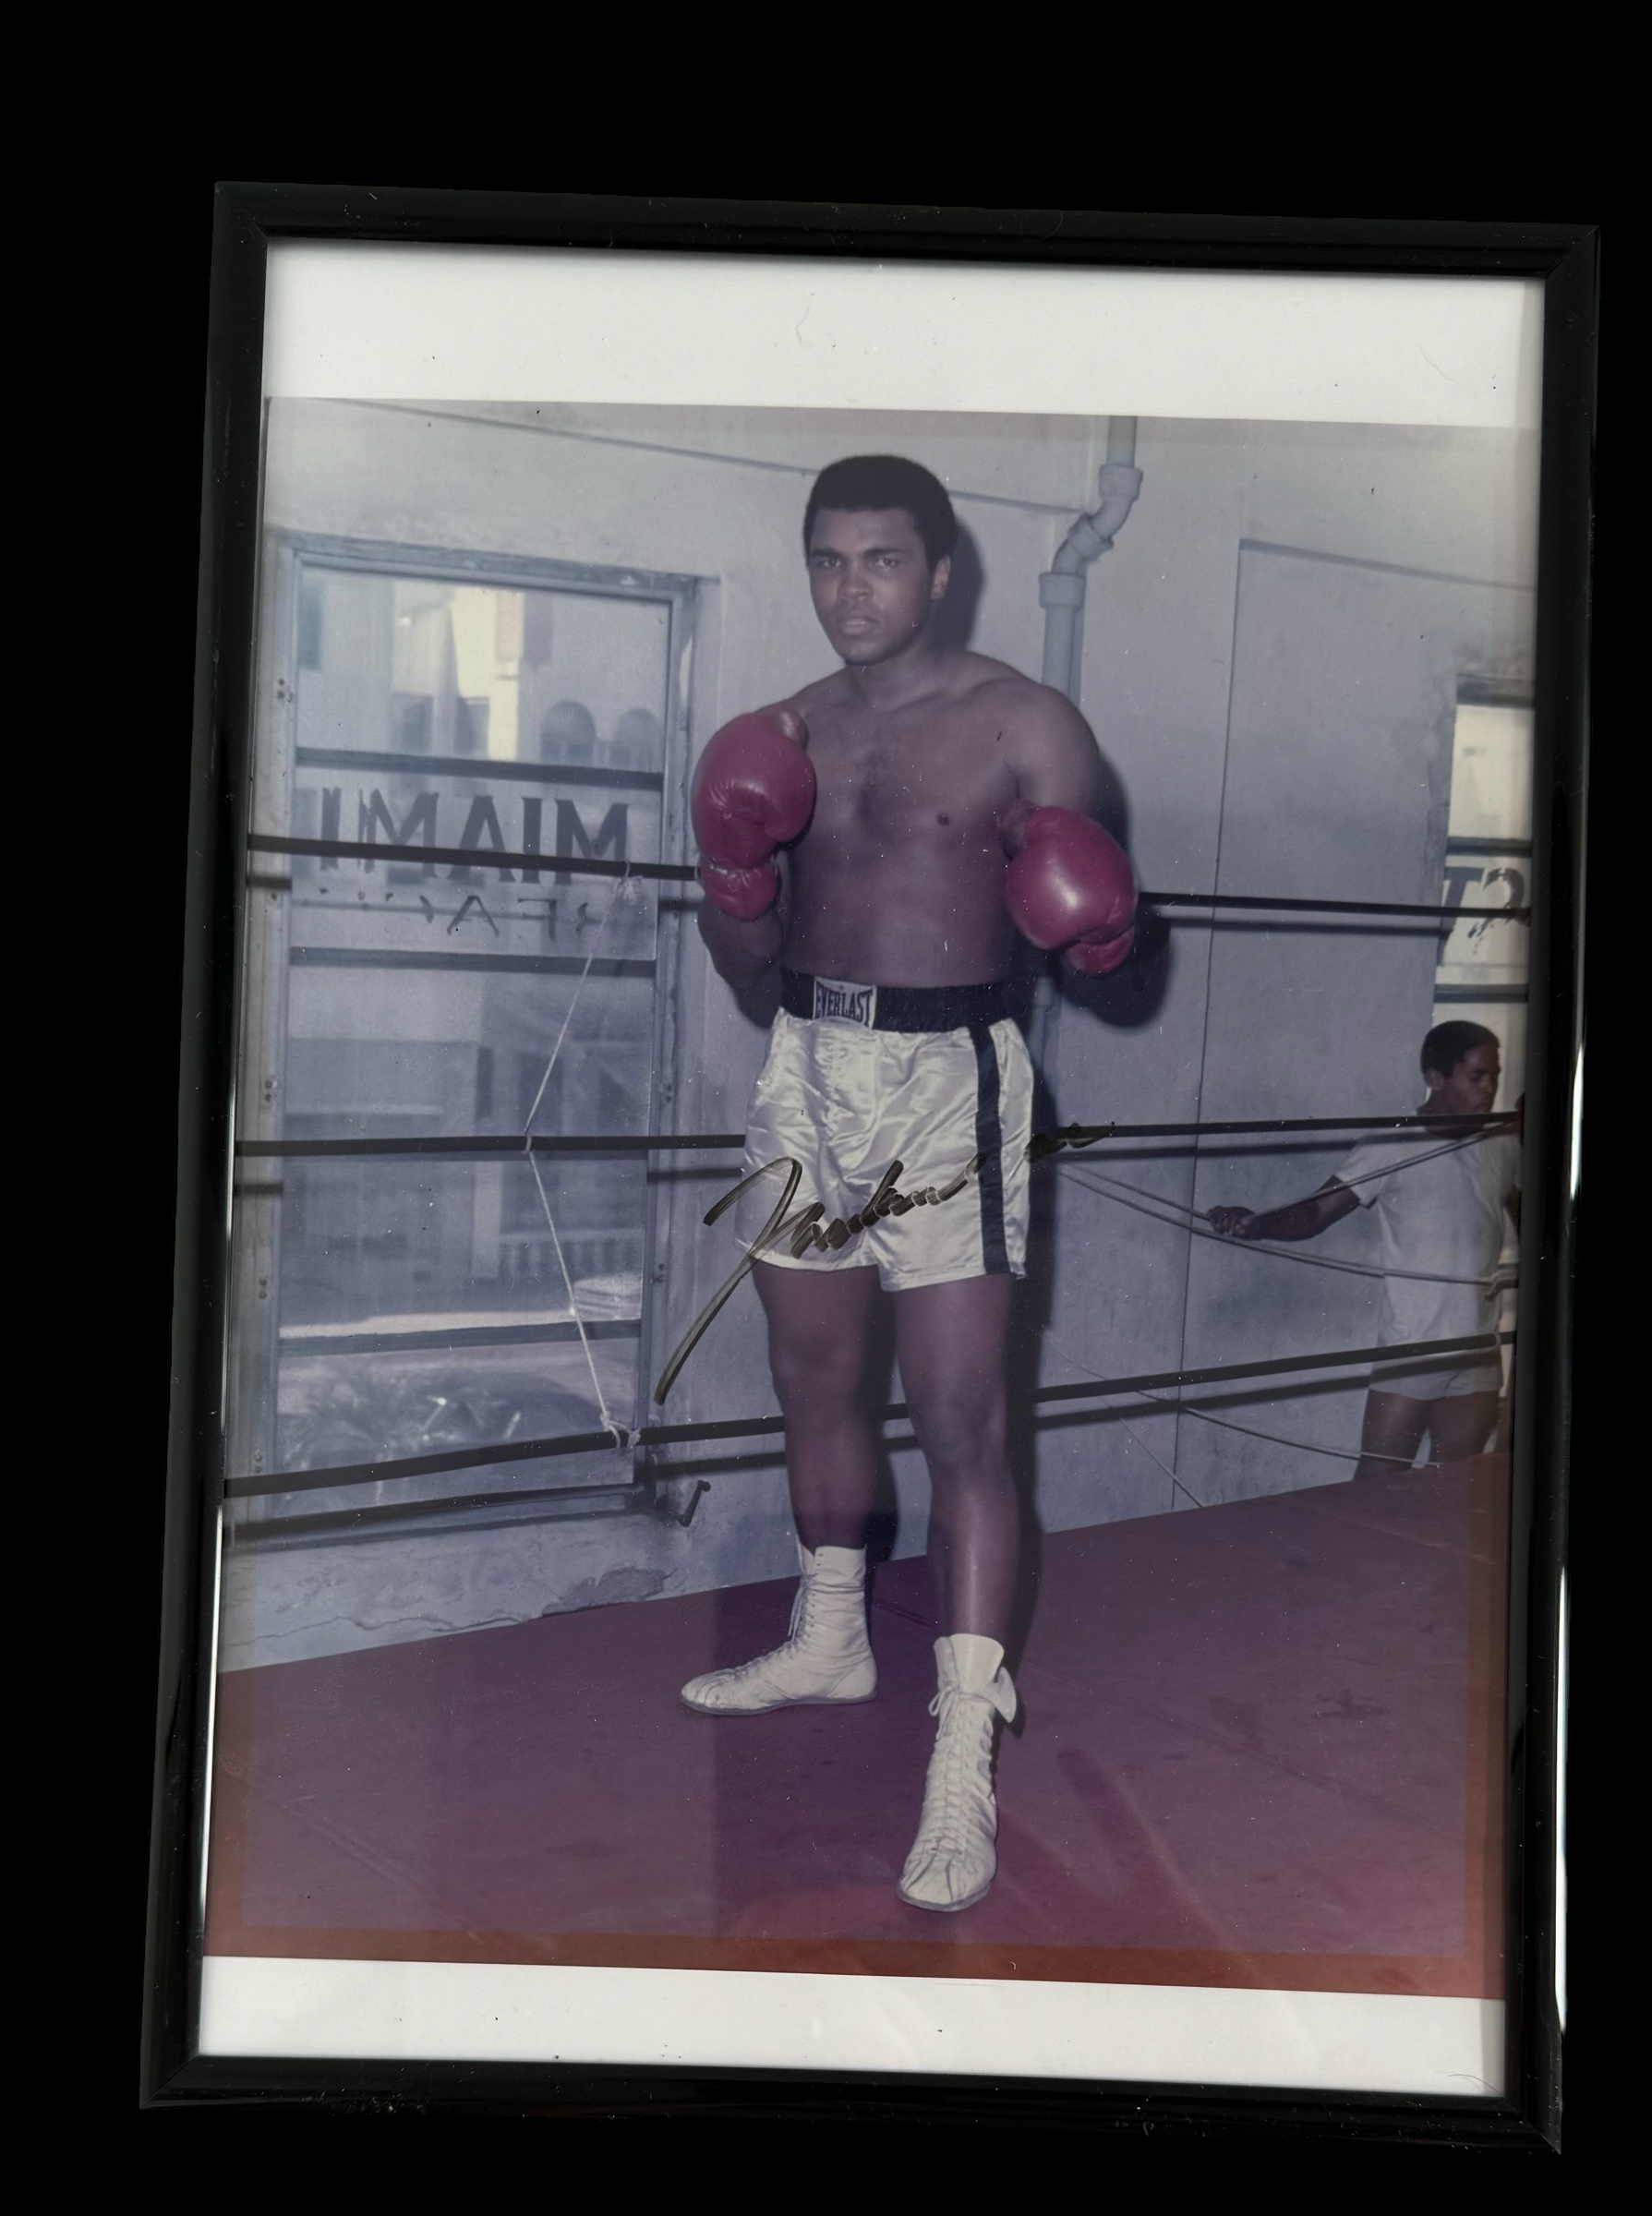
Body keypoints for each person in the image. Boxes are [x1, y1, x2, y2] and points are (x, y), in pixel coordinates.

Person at [682, 454, 1136, 1912]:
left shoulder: (1025, 724)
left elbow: (1099, 966)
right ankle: (830, 1636)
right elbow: (752, 982)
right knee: (812, 1384)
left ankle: (961, 1744)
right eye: (826, 561)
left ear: (941, 571)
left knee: (960, 1420)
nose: (848, 591)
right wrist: (736, 882)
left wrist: (1105, 935)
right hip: (808, 1067)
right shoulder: (783, 733)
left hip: (950, 1085)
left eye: (879, 561)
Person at [1206, 1022, 1520, 1481]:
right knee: (1376, 1487)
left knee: (1457, 1490)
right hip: (1414, 1345)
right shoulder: (1392, 1144)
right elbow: (1314, 1214)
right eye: (1476, 1077)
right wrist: (1255, 1223)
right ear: (1436, 1077)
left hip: (1478, 1349)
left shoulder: (1502, 1145)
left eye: (1494, 1075)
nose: (1489, 1088)